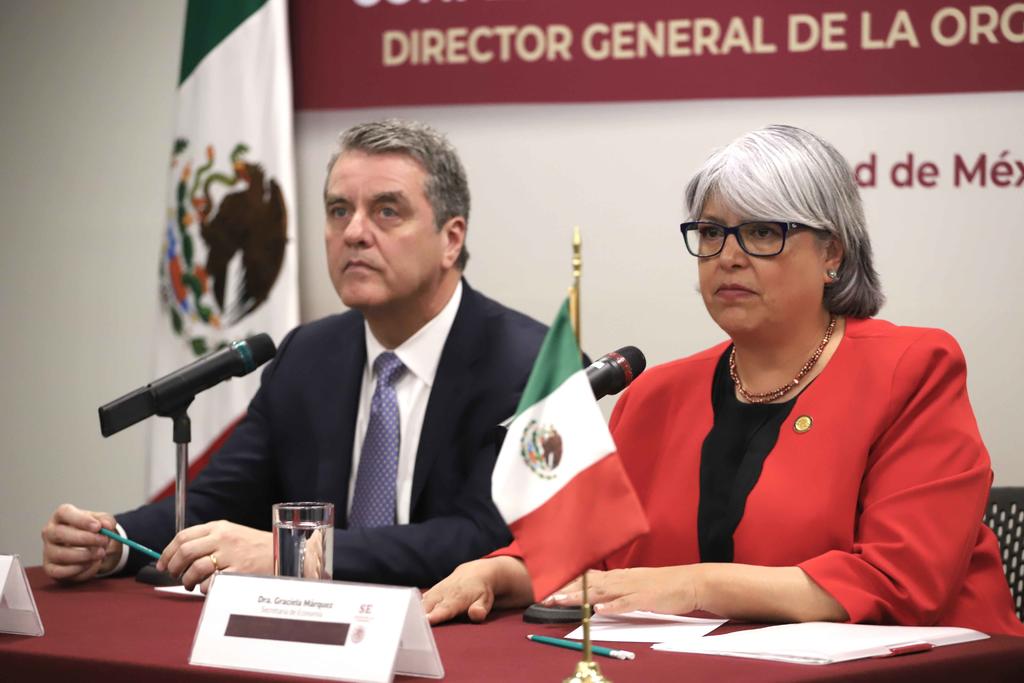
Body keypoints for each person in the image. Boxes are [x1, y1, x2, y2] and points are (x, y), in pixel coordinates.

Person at [422, 125, 1024, 635]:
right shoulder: (655, 397)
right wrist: (498, 572)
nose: (728, 256)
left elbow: (901, 580)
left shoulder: (912, 369)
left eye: (762, 232)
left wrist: (694, 585)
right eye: (711, 233)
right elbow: (591, 559)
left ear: (833, 254)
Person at [41, 119, 547, 591]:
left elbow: (482, 536)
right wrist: (114, 539)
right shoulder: (308, 355)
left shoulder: (530, 365)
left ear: (451, 240)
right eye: (339, 211)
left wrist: (296, 553)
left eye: (386, 211)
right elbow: (223, 497)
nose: (354, 232)